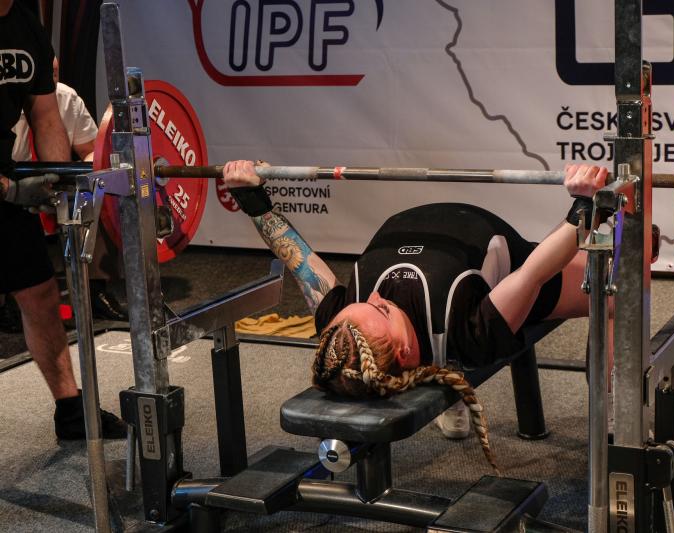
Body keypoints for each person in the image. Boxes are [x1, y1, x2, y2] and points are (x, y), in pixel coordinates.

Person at [222, 160, 607, 471]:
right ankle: (609, 421)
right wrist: (585, 206)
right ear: (405, 351)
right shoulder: (467, 333)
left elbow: (297, 259)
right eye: (381, 308)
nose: (376, 295)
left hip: (433, 234)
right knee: (612, 290)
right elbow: (535, 272)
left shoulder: (341, 327)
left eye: (363, 301)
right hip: (510, 265)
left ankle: (449, 390)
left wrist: (250, 198)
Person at [0, 0, 127, 439]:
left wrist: (57, 186)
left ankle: (72, 412)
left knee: (39, 292)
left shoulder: (25, 27)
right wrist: (11, 190)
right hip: (4, 185)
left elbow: (45, 114)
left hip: (4, 178)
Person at [10, 56, 127, 321]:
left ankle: (94, 290)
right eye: (44, 74)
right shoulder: (8, 101)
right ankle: (8, 302)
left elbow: (91, 152)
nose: (51, 80)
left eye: (54, 74)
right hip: (15, 184)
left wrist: (88, 179)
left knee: (99, 185)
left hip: (55, 180)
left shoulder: (67, 97)